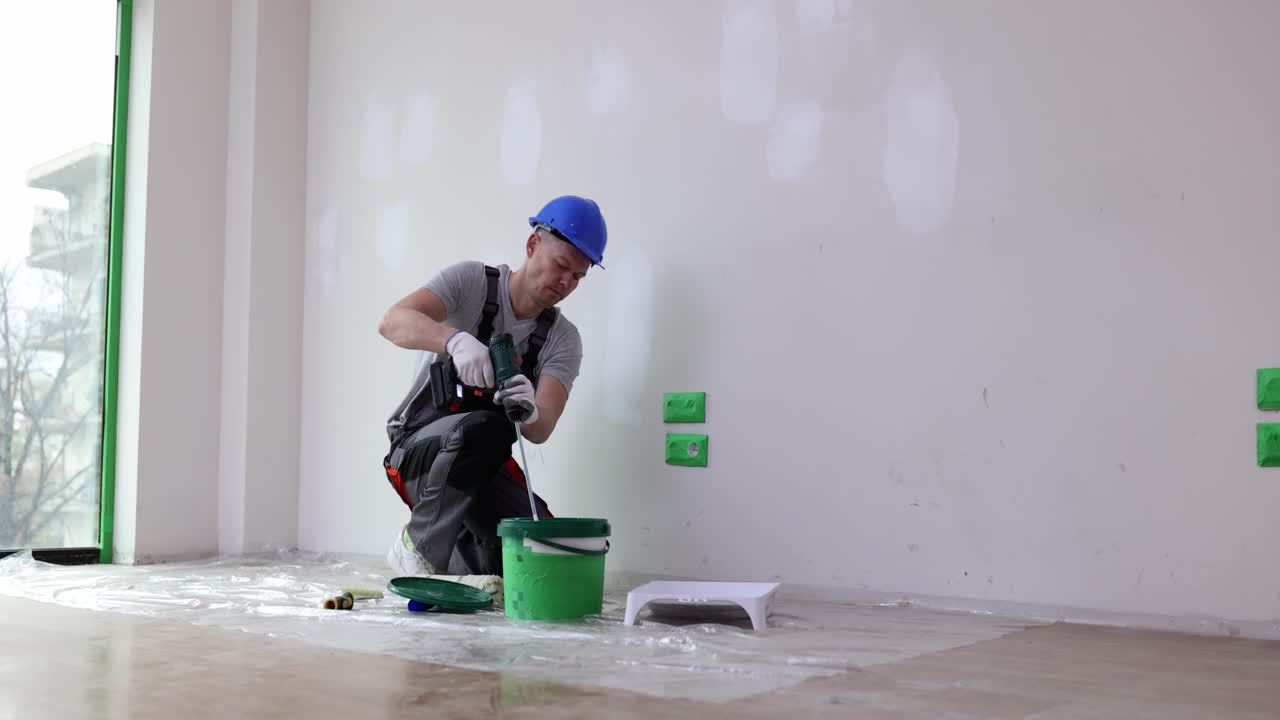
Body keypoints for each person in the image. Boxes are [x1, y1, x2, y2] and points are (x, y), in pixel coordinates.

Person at [377, 195, 606, 577]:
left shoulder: (562, 340)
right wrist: (453, 340)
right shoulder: (471, 284)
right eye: (561, 266)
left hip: (481, 465)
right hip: (416, 456)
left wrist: (531, 410)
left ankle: (463, 555)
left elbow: (541, 428)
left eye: (578, 277)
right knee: (486, 428)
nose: (566, 282)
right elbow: (392, 321)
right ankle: (415, 549)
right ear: (533, 245)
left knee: (544, 557)